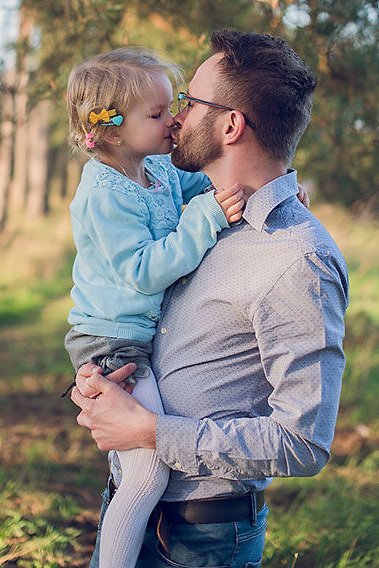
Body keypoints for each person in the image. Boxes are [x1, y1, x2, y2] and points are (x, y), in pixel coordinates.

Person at [70, 30, 348, 567]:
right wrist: (103, 386)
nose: (176, 118)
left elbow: (304, 442)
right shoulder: (195, 206)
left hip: (205, 541)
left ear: (230, 125)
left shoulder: (295, 257)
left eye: (189, 103)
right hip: (133, 510)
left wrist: (150, 430)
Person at [63, 48, 250, 567]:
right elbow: (143, 271)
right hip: (111, 343)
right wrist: (206, 218)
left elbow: (207, 182)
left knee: (136, 468)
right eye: (158, 114)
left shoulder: (159, 169)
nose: (173, 121)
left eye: (173, 108)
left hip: (140, 335)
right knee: (147, 473)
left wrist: (270, 187)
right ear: (115, 131)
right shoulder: (103, 195)